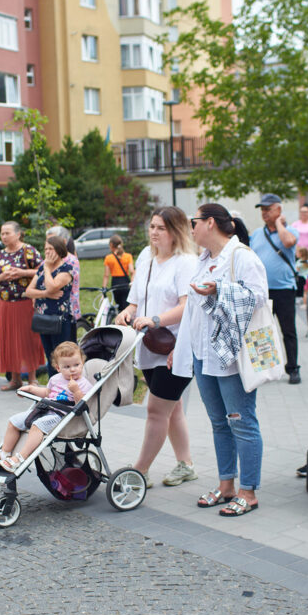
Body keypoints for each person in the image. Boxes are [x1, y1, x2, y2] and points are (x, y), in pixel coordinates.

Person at [172, 203, 267, 517]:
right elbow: (193, 311)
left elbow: (259, 297)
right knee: (218, 423)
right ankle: (226, 485)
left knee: (242, 422)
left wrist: (220, 289)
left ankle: (248, 491)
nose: (191, 228)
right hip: (204, 354)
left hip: (232, 357)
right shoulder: (204, 259)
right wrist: (182, 347)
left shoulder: (242, 257)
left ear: (210, 223)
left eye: (194, 221)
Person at [115, 206, 199, 488]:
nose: (153, 232)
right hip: (150, 346)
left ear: (175, 232)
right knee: (172, 409)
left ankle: (140, 470)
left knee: (155, 410)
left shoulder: (186, 262)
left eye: (160, 228)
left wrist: (155, 319)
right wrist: (127, 313)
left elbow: (187, 307)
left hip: (177, 347)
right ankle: (186, 464)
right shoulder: (145, 258)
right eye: (151, 226)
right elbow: (135, 301)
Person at [0, 341, 93, 472]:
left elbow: (81, 405)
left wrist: (76, 391)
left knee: (37, 426)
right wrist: (31, 388)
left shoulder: (83, 384)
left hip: (60, 415)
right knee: (13, 421)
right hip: (44, 409)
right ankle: (4, 453)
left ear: (82, 363)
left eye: (77, 364)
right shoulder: (55, 379)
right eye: (67, 367)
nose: (73, 369)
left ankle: (20, 458)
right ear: (58, 368)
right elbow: (47, 393)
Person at [0, 221, 45, 391]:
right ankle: (15, 379)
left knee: (29, 340)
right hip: (5, 304)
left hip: (25, 303)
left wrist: (22, 273)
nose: (4, 237)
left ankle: (32, 379)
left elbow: (43, 271)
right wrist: (2, 276)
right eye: (2, 233)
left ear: (18, 234)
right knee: (10, 340)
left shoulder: (29, 251)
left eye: (7, 233)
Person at [250, 194, 301, 384]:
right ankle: (265, 370)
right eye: (262, 209)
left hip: (285, 289)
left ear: (278, 210)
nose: (264, 212)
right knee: (261, 331)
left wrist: (280, 224)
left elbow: (288, 243)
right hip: (262, 291)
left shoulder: (291, 231)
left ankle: (293, 368)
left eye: (268, 209)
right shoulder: (256, 235)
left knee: (288, 331)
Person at [25, 236, 76, 377]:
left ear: (59, 250)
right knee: (50, 356)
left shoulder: (66, 269)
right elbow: (28, 291)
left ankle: (66, 389)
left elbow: (52, 286)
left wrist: (47, 268)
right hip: (43, 319)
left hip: (60, 320)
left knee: (62, 357)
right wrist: (45, 294)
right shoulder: (42, 267)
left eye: (51, 249)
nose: (47, 252)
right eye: (46, 248)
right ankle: (53, 388)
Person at [47, 224, 81, 339]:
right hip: (50, 311)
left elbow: (53, 286)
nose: (48, 246)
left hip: (67, 312)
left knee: (66, 349)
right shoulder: (49, 260)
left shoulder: (70, 261)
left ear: (64, 241)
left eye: (53, 241)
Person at [102, 234, 134, 311]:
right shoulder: (128, 256)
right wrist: (132, 282)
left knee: (119, 306)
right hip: (125, 282)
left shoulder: (108, 258)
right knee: (126, 305)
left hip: (115, 283)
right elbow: (132, 271)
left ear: (111, 245)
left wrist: (104, 287)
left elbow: (106, 275)